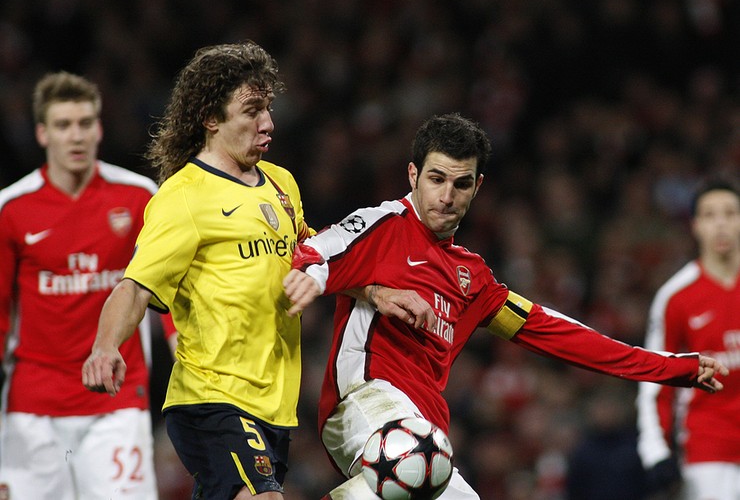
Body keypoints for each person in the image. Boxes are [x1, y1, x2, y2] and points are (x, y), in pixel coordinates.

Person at [282, 113, 728, 499]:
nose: (446, 197)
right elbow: (317, 249)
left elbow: (561, 334)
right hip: (365, 406)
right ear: (414, 175)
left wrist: (673, 367)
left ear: (477, 187)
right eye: (436, 179)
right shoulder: (384, 226)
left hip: (428, 433)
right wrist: (324, 280)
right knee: (412, 462)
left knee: (432, 475)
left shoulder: (472, 279)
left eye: (460, 184)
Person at [79, 41, 432, 500]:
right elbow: (135, 287)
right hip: (213, 398)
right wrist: (106, 345)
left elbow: (311, 257)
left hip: (276, 408)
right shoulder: (183, 196)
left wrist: (374, 290)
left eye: (267, 108)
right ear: (211, 118)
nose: (268, 124)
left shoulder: (281, 183)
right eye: (251, 111)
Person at [0, 71, 173, 499]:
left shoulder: (138, 197)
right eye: (62, 125)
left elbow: (170, 291)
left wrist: (183, 354)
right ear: (42, 133)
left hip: (116, 402)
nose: (75, 136)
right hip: (32, 407)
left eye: (84, 123)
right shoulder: (12, 208)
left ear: (99, 128)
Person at [636, 178, 740, 500]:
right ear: (695, 225)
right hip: (707, 449)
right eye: (710, 216)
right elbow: (655, 375)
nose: (721, 224)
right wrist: (655, 451)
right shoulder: (676, 296)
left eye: (730, 214)